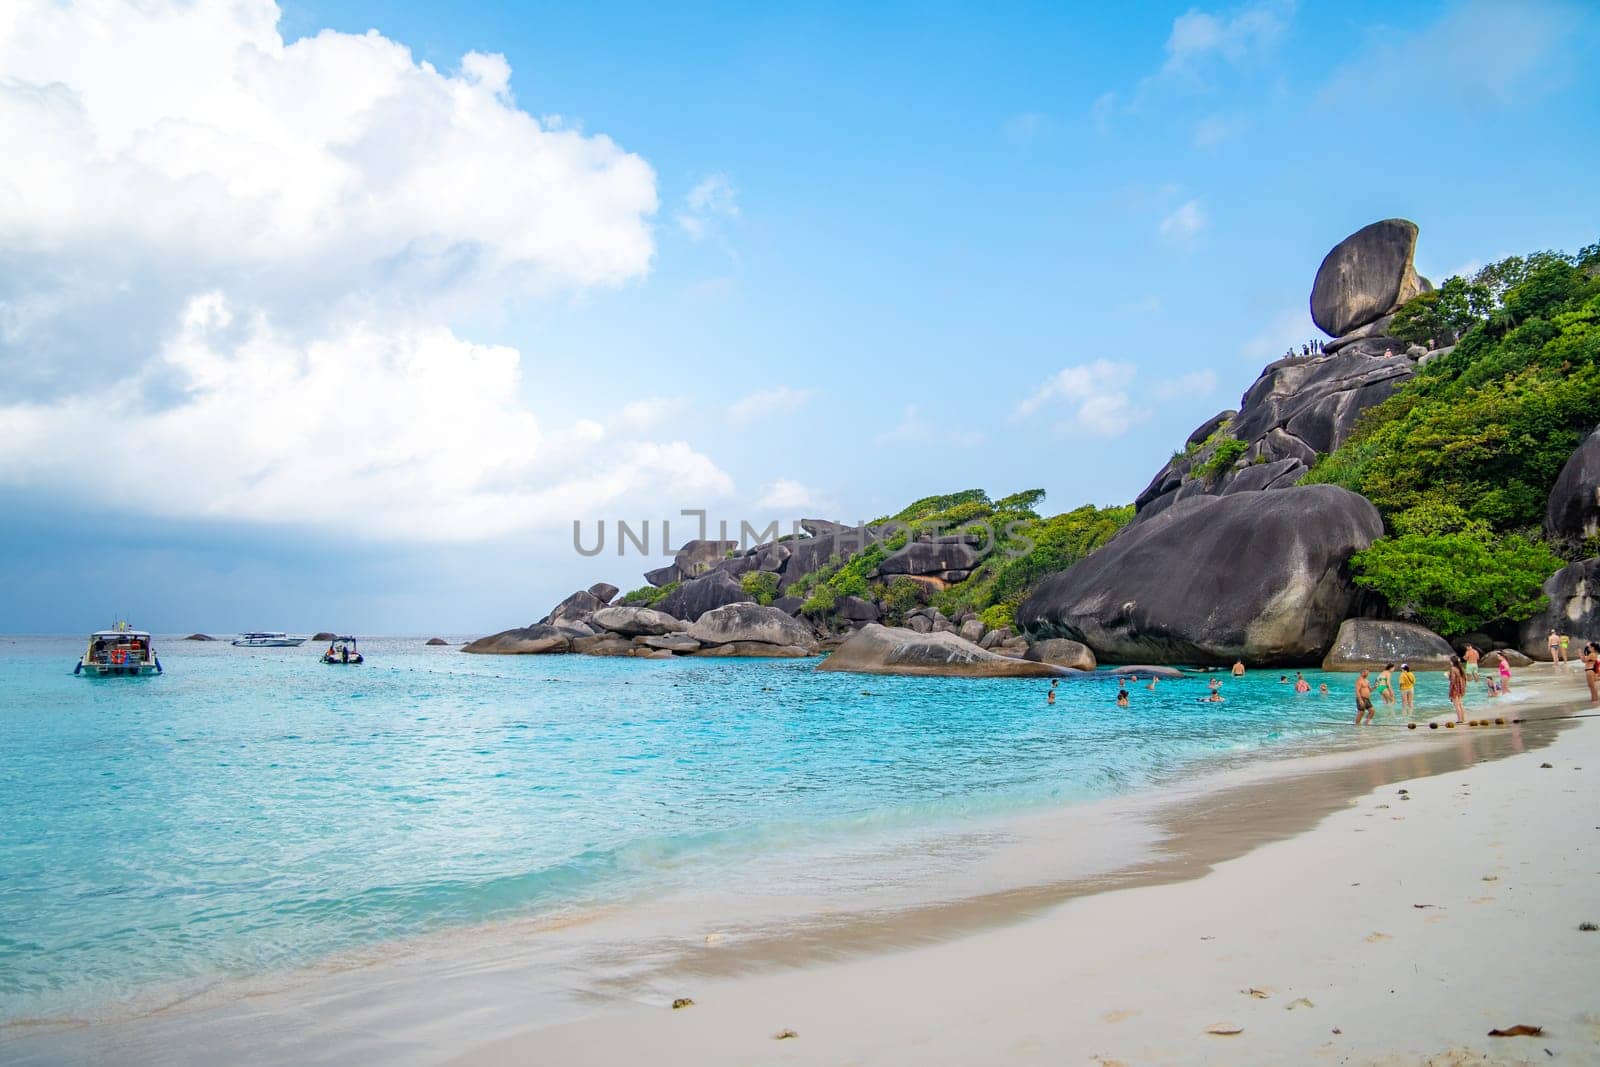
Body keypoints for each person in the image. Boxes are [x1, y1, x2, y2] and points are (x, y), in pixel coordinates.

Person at [1447, 655, 1468, 723]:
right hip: (1460, 689)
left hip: (1455, 689)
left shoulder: (1453, 669)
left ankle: (1459, 720)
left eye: (1450, 661)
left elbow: (1452, 680)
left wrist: (1448, 676)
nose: (1450, 662)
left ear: (1452, 661)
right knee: (1460, 704)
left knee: (1456, 705)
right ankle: (1463, 719)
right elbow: (1464, 679)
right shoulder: (1460, 668)